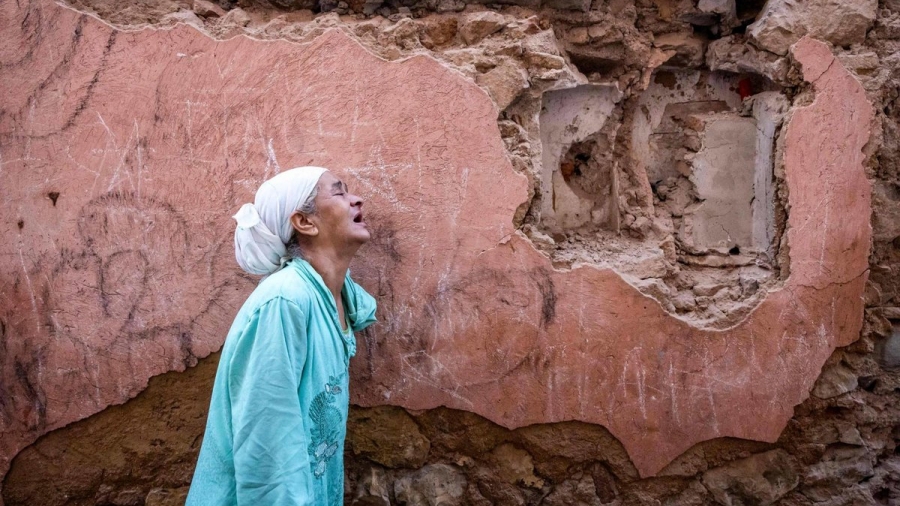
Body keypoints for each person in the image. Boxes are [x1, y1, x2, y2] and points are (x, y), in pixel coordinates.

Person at [186, 166, 377, 506]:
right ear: (305, 222)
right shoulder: (285, 301)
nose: (356, 199)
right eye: (340, 192)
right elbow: (267, 446)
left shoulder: (333, 296)